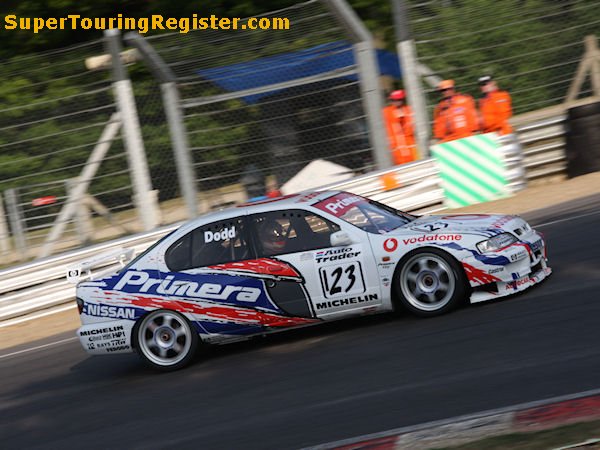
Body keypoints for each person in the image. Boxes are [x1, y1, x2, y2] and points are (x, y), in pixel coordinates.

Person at [382, 89, 418, 165]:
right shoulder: (387, 111)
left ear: (402, 99)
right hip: (396, 150)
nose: (397, 102)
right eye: (394, 100)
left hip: (410, 147)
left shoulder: (409, 110)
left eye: (399, 100)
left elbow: (412, 127)